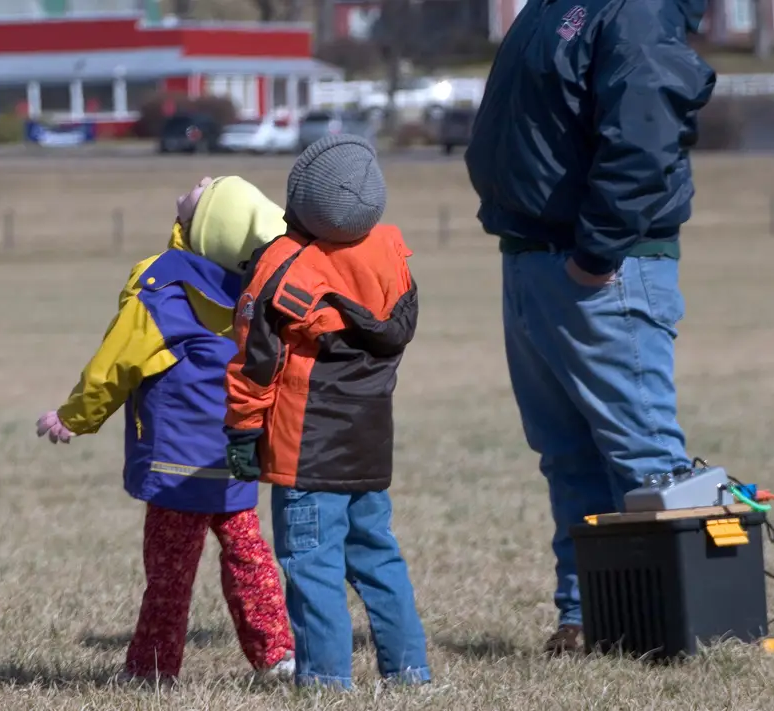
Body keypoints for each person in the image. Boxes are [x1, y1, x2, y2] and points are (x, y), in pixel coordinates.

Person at [463, 0, 716, 653]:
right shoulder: (550, 6)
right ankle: (591, 615)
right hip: (531, 255)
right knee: (567, 456)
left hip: (601, 266)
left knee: (642, 458)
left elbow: (644, 127)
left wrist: (597, 250)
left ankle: (675, 625)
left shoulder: (633, 9)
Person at [35, 176, 295, 684]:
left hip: (175, 467)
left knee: (169, 576)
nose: (200, 180)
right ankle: (277, 657)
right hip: (234, 457)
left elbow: (118, 362)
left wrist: (75, 416)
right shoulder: (255, 297)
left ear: (206, 227)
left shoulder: (165, 290)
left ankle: (152, 670)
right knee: (250, 559)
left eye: (210, 188)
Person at [223, 135, 431, 689]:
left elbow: (254, 362)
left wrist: (242, 431)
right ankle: (410, 672)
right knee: (377, 557)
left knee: (311, 566)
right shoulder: (392, 251)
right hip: (369, 440)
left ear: (303, 200)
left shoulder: (284, 264)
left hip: (304, 449)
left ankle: (323, 683)